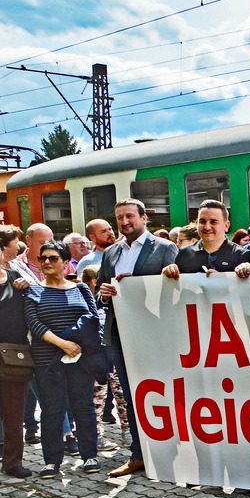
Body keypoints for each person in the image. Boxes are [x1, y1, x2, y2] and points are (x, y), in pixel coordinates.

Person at [99, 199, 178, 478]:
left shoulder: (165, 248)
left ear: (144, 218)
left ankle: (172, 454)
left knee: (162, 392)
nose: (124, 222)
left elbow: (176, 290)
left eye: (130, 216)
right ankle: (138, 454)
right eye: (119, 217)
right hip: (121, 333)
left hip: (155, 334)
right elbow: (99, 289)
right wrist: (104, 292)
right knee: (132, 395)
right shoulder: (110, 253)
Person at [25, 242, 104, 478]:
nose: (47, 262)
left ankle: (89, 455)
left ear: (66, 262)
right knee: (52, 410)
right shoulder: (33, 291)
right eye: (43, 259)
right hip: (47, 360)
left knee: (84, 407)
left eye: (53, 258)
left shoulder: (79, 289)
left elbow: (93, 319)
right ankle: (52, 462)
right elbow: (34, 324)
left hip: (80, 359)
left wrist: (80, 346)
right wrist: (63, 344)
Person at [0, 234, 32, 484]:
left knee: (15, 414)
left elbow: (39, 298)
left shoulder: (16, 279)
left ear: (2, 253)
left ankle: (13, 463)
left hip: (15, 356)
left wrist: (29, 285)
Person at [162, 200, 250, 278]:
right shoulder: (184, 254)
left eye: (213, 222)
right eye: (202, 221)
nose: (207, 227)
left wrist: (225, 282)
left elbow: (249, 293)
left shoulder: (241, 255)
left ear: (226, 225)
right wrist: (167, 274)